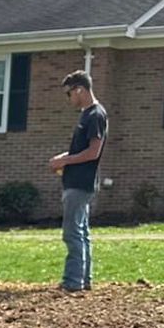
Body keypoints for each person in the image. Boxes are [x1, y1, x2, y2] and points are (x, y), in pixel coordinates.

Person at [50, 70, 108, 293]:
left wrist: (67, 160)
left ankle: (72, 282)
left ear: (80, 89)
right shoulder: (87, 115)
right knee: (81, 232)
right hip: (76, 180)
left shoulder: (95, 115)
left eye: (69, 94)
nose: (69, 99)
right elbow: (81, 150)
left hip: (80, 183)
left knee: (72, 232)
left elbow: (93, 152)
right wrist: (63, 159)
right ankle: (84, 280)